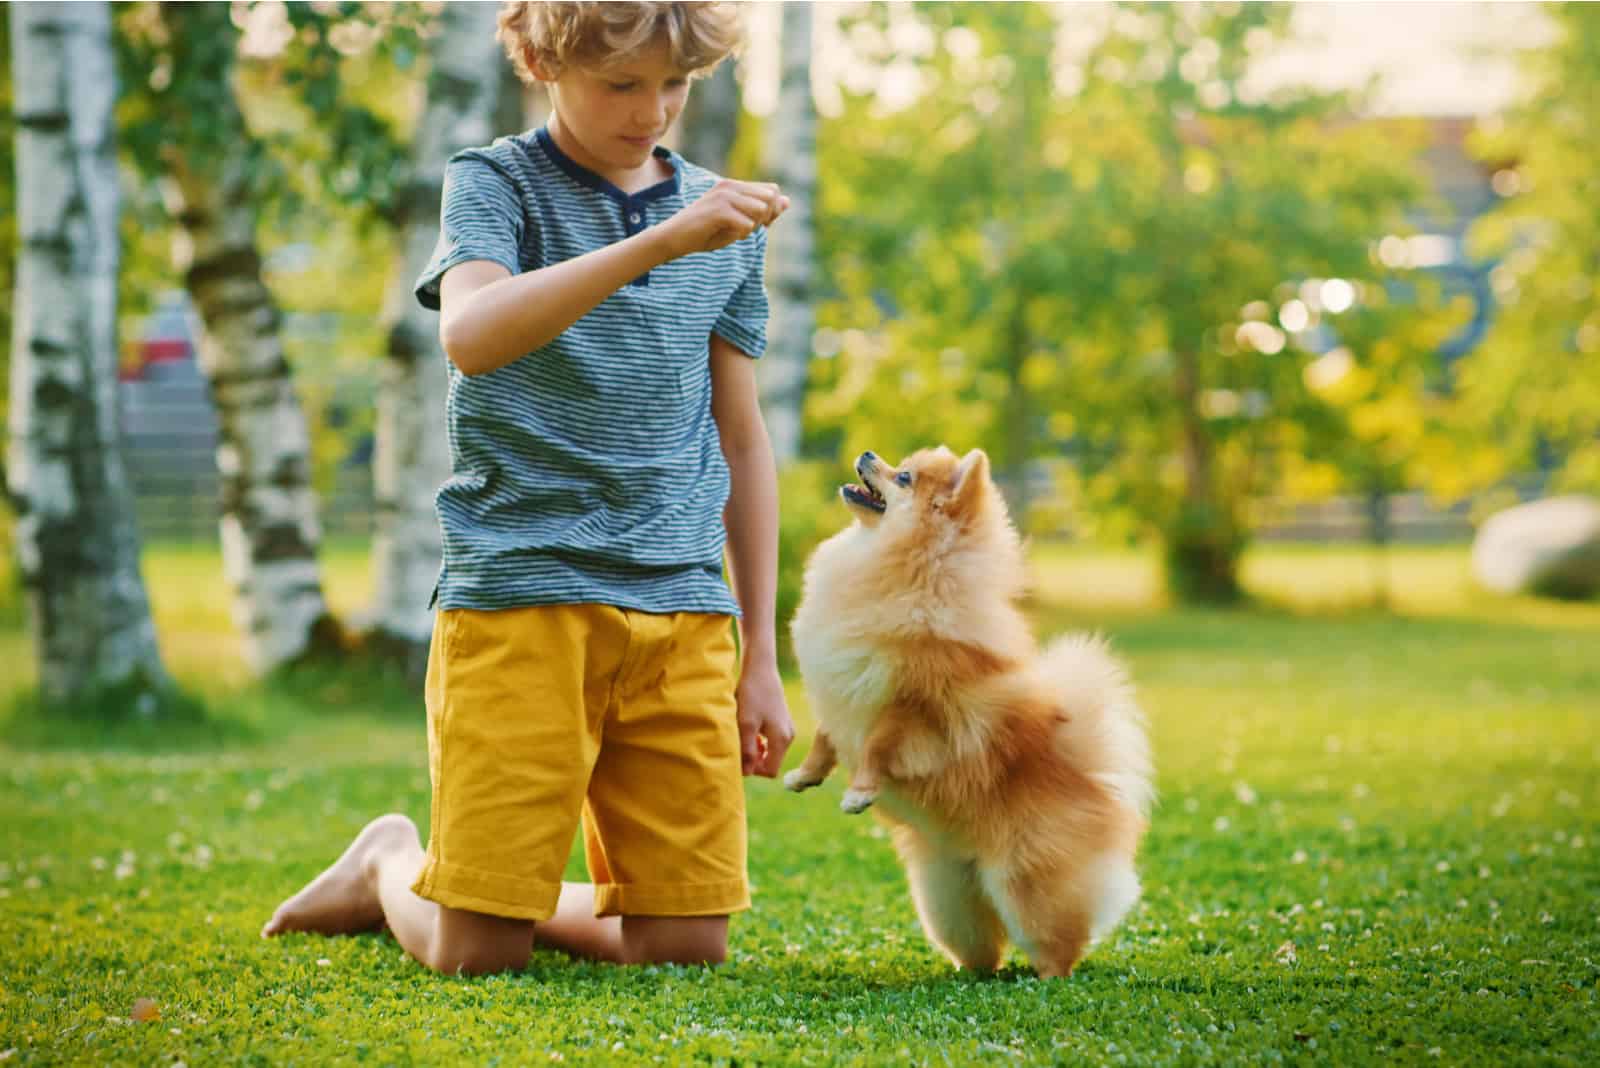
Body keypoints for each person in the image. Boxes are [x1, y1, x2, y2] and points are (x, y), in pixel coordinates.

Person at [262, 0, 794, 975]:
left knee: (683, 947)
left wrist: (761, 653)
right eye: (622, 84)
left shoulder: (723, 214)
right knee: (475, 955)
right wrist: (659, 244)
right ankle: (390, 863)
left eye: (674, 83)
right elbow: (470, 332)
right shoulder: (492, 182)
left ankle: (478, 892)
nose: (653, 110)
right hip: (519, 597)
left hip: (680, 611)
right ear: (546, 61)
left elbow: (744, 441)